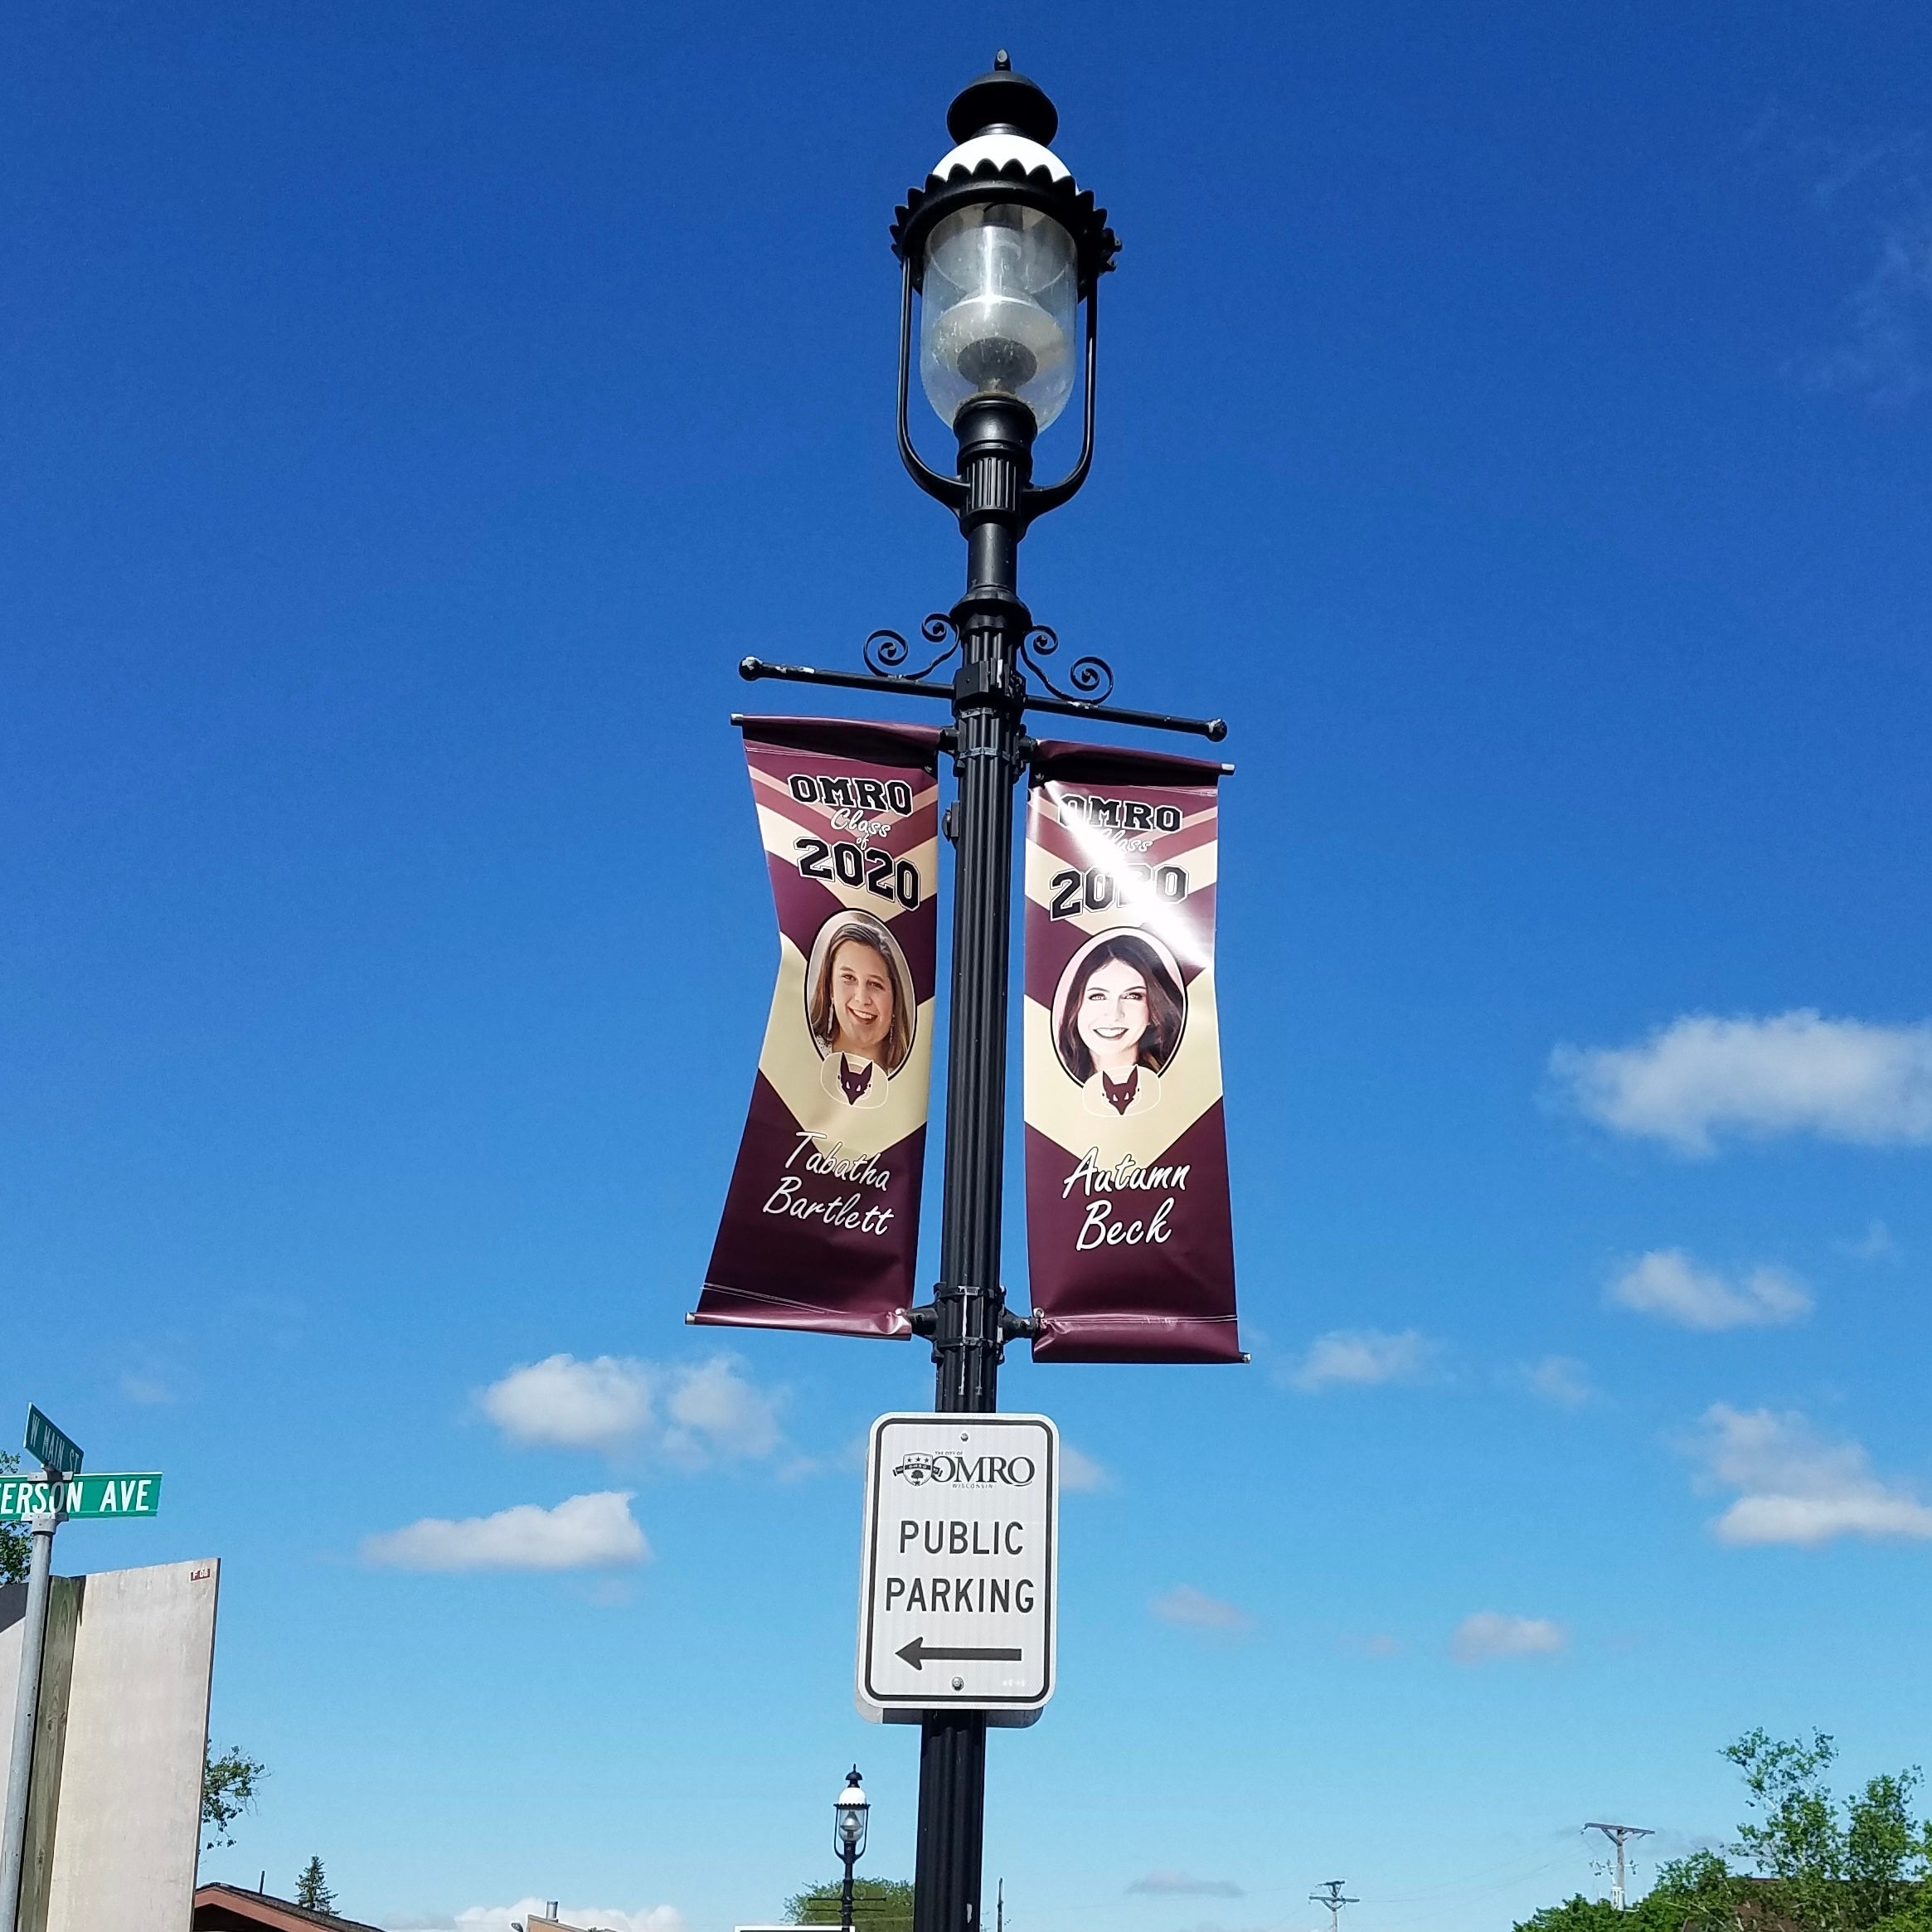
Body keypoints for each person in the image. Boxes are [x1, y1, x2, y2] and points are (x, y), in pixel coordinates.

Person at [1054, 931, 1185, 1119]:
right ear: (1076, 1006)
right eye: (1098, 996)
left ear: (1153, 1009)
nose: (1114, 1014)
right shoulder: (1050, 1095)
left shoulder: (1181, 1095)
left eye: (1133, 996)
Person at [808, 920, 915, 1104]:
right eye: (849, 978)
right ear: (830, 987)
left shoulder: (913, 1082)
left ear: (895, 999)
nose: (862, 998)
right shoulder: (801, 1059)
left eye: (875, 984)